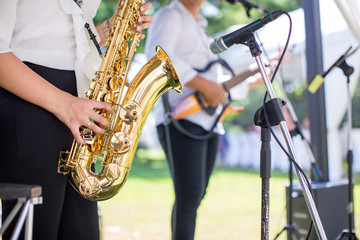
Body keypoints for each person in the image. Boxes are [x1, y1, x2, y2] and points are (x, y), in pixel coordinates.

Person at [0, 1, 152, 240]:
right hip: (29, 102)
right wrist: (65, 104)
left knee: (82, 232)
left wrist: (110, 29)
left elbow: (59, 37)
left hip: (76, 103)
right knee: (37, 230)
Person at [144, 0, 252, 239]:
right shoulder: (169, 16)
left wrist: (251, 78)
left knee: (195, 195)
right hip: (180, 119)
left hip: (207, 120)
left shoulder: (199, 27)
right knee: (189, 195)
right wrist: (204, 85)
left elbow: (215, 81)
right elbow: (157, 55)